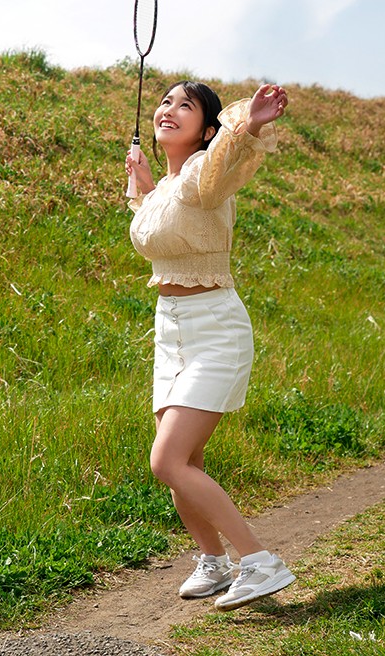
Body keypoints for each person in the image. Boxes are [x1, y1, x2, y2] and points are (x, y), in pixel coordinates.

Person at [125, 80, 296, 611]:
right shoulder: (167, 188)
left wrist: (250, 122)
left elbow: (229, 154)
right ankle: (214, 562)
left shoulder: (207, 172)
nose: (170, 109)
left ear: (206, 130)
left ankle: (260, 562)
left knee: (167, 461)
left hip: (216, 330)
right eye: (165, 102)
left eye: (187, 106)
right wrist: (143, 188)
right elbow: (165, 224)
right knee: (186, 462)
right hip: (170, 333)